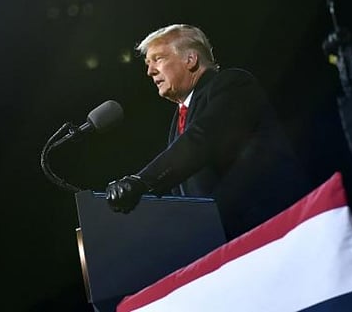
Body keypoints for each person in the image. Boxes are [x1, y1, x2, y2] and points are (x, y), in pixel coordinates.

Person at [105, 23, 312, 239]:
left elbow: (202, 138)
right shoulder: (179, 119)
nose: (150, 71)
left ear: (190, 60)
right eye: (148, 64)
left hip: (275, 228)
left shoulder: (232, 84)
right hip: (221, 240)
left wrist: (141, 181)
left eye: (158, 59)